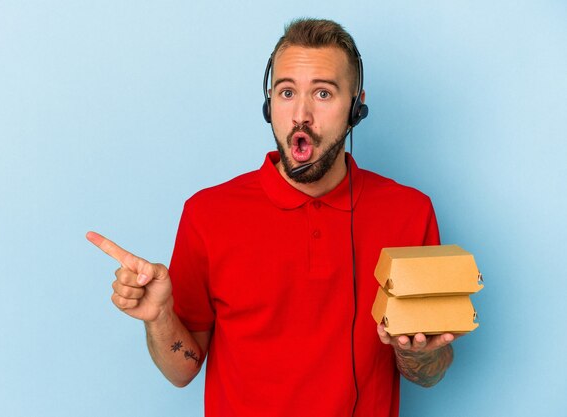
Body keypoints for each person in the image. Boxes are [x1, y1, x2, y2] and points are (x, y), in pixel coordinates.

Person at [87, 18, 457, 417]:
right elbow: (182, 372)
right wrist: (158, 317)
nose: (301, 114)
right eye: (286, 92)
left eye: (323, 93)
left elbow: (428, 374)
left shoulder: (410, 212)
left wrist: (416, 352)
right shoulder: (208, 214)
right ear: (269, 104)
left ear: (356, 107)